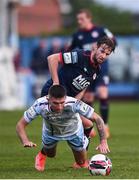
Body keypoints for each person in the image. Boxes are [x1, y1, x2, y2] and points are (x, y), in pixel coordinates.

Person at [16, 85, 110, 172]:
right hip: (51, 133)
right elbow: (20, 125)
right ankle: (42, 154)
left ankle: (84, 140)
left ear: (65, 98)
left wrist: (103, 141)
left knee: (81, 163)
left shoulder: (74, 103)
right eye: (56, 103)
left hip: (74, 132)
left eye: (62, 102)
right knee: (51, 154)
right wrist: (25, 141)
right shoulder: (40, 105)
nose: (60, 107)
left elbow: (98, 119)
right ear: (48, 99)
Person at [41, 36, 116, 140]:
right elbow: (52, 58)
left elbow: (84, 87)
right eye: (102, 51)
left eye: (107, 54)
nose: (103, 56)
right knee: (63, 132)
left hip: (67, 101)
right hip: (53, 96)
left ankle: (83, 153)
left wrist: (76, 102)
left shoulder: (97, 70)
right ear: (95, 47)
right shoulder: (80, 55)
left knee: (88, 125)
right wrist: (56, 83)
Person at [69, 9, 117, 138]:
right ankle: (89, 125)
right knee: (88, 97)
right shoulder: (77, 35)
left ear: (89, 18)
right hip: (87, 69)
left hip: (102, 69)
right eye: (78, 19)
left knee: (102, 93)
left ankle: (105, 125)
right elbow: (70, 49)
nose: (79, 22)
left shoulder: (101, 31)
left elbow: (113, 41)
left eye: (82, 19)